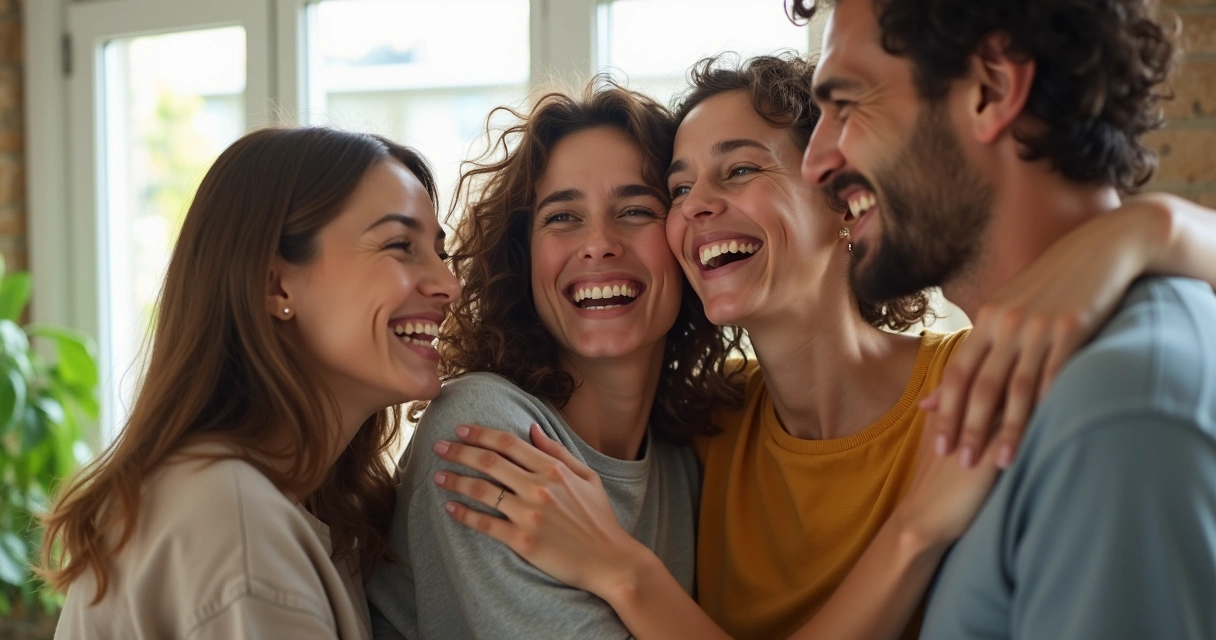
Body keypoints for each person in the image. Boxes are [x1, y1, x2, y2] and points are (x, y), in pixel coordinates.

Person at [433, 52, 1216, 640]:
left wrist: (1154, 226)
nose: (698, 207)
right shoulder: (707, 429)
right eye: (677, 190)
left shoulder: (978, 386)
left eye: (738, 169)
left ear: (846, 201)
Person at [798, 0, 1216, 637]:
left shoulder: (1117, 414)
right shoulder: (1044, 386)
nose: (815, 162)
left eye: (847, 104)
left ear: (991, 89)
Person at [40, 127, 461, 639]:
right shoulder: (234, 522)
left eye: (440, 253)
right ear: (275, 284)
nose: (448, 284)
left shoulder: (310, 513)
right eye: (400, 246)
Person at [365, 80, 744, 639]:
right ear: (524, 258)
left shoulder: (683, 459)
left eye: (636, 210)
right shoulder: (484, 435)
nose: (599, 243)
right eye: (563, 218)